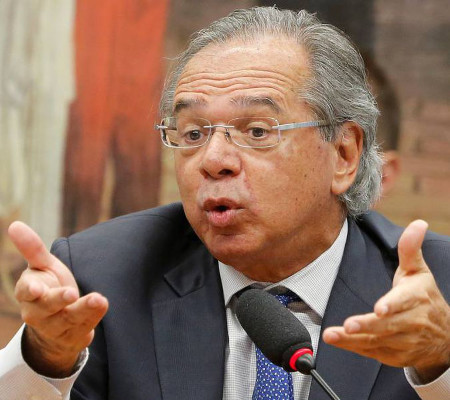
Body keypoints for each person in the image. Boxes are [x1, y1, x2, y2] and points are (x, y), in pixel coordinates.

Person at [1, 7, 449, 400]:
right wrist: (47, 358)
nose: (213, 160)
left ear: (344, 154)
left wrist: (439, 359)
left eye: (257, 131)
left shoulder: (437, 292)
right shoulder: (103, 278)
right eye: (193, 133)